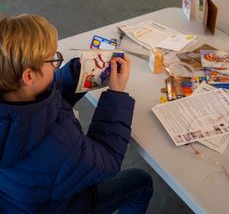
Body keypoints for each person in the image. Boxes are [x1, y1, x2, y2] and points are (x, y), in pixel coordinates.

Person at [0, 14, 153, 214]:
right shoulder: (59, 146)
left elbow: (45, 105)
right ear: (29, 76)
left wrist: (80, 73)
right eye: (52, 61)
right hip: (61, 206)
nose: (56, 65)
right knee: (141, 182)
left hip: (16, 199)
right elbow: (108, 161)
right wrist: (116, 95)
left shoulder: (17, 97)